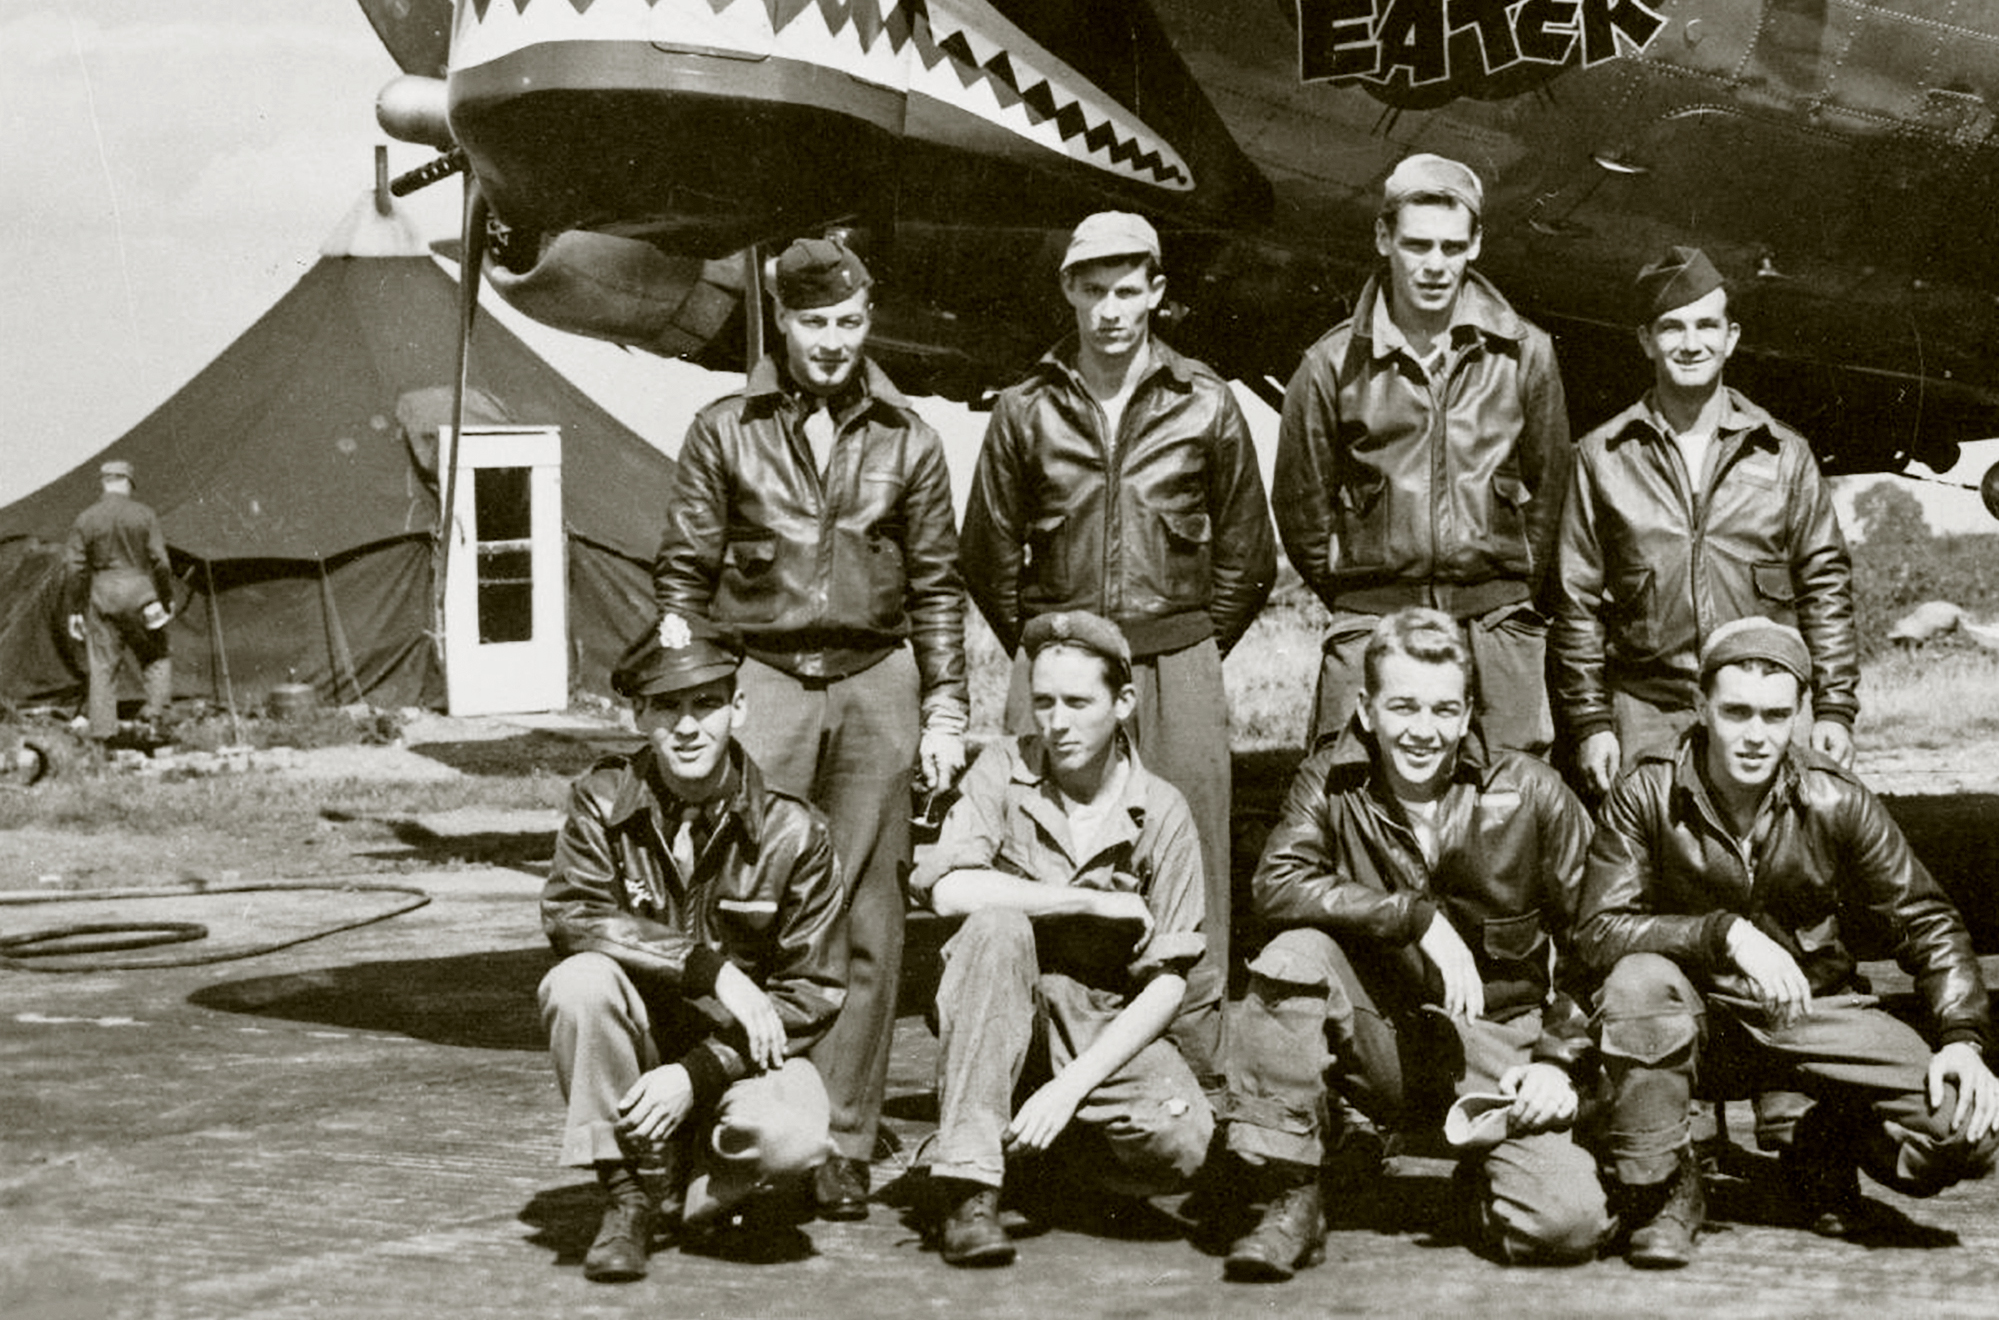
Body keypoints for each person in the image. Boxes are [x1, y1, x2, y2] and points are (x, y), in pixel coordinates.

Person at [652, 235, 966, 1221]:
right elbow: (683, 577)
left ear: (869, 322)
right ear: (780, 324)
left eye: (850, 323)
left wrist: (948, 703)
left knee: (870, 921)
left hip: (877, 682)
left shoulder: (909, 436)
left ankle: (844, 1140)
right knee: (742, 908)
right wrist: (694, 692)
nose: (833, 343)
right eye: (814, 323)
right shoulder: (723, 428)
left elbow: (938, 588)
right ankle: (730, 1114)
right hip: (765, 677)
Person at [1580, 617, 1999, 1267]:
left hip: (1809, 1013)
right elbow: (1600, 929)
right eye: (1736, 711)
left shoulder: (1837, 797)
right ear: (1700, 706)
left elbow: (1925, 917)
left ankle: (1819, 1141)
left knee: (1964, 1129)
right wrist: (1722, 933)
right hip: (1697, 1014)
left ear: (1801, 714)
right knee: (1637, 981)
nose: (1755, 734)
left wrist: (1961, 1039)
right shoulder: (1646, 791)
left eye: (1776, 715)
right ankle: (1667, 1186)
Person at [1220, 607, 1608, 1280]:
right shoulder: (1330, 779)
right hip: (1385, 1042)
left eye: (1441, 709)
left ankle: (1483, 1186)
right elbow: (1276, 884)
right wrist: (1411, 915)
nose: (1422, 730)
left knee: (1566, 1223)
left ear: (1465, 715)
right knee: (1292, 957)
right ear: (1367, 709)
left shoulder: (1534, 792)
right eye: (1402, 707)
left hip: (1497, 1048)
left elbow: (1597, 940)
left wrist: (1555, 1059)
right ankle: (1289, 1191)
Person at [960, 208, 1278, 975]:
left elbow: (1250, 553)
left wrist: (1189, 644)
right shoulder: (1024, 407)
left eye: (1127, 290)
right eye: (1094, 289)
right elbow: (986, 551)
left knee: (1189, 857)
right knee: (1034, 846)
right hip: (1055, 668)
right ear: (1068, 289)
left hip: (1175, 661)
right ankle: (1037, 1048)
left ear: (1156, 293)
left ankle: (1192, 1064)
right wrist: (1050, 653)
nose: (1110, 311)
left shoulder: (1205, 399)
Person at [538, 614, 847, 1282]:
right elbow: (572, 913)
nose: (687, 726)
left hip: (739, 1057)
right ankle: (626, 1196)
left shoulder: (795, 831)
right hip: (640, 1043)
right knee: (578, 983)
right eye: (667, 706)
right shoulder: (599, 802)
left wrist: (699, 1073)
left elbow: (813, 989)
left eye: (706, 702)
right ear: (638, 715)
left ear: (738, 706)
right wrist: (710, 967)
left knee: (795, 1134)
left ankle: (689, 1190)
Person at [909, 610, 1218, 1266]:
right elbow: (946, 888)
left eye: (1079, 702)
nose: (1058, 721)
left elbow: (1167, 982)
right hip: (999, 1008)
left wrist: (1069, 1088)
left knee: (1183, 1141)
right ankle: (969, 1187)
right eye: (1043, 701)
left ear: (1123, 702)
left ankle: (1047, 1162)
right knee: (996, 923)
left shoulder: (1160, 809)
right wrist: (1086, 899)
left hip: (1095, 1024)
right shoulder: (1001, 769)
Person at [1274, 154, 1568, 757]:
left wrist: (1504, 589)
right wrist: (1361, 587)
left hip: (1494, 629)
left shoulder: (1526, 355)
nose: (1435, 266)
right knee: (1356, 804)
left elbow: (1548, 494)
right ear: (1384, 238)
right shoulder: (1331, 364)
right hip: (1376, 620)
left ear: (1476, 245)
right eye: (1417, 245)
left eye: (1452, 247)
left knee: (1507, 812)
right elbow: (1301, 506)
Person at [1550, 248, 1860, 797]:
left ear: (1731, 337)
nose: (1691, 344)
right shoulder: (1602, 457)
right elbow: (1577, 604)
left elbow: (1824, 587)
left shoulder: (1782, 454)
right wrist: (1592, 723)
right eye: (1672, 328)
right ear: (1646, 340)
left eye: (1706, 326)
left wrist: (1834, 708)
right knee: (1647, 871)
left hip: (1760, 708)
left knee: (1780, 867)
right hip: (1647, 711)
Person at [69, 458, 174, 743]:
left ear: (104, 483)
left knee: (102, 665)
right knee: (157, 655)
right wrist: (165, 598)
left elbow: (75, 569)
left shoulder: (86, 518)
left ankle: (103, 736)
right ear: (128, 483)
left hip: (102, 593)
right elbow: (161, 563)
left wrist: (75, 609)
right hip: (141, 592)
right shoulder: (144, 514)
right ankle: (154, 720)